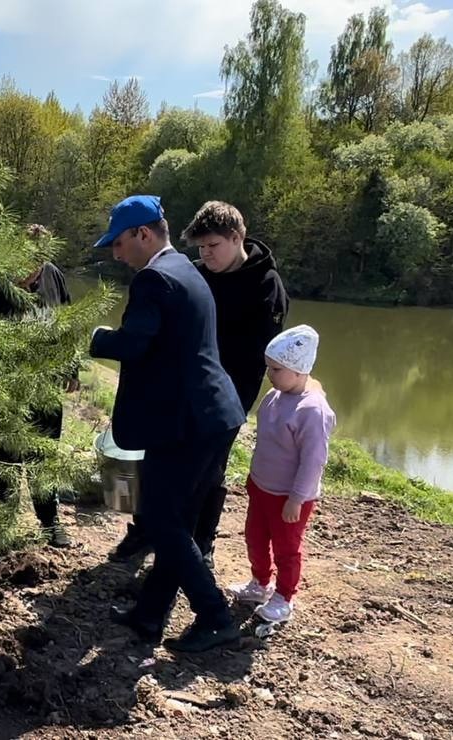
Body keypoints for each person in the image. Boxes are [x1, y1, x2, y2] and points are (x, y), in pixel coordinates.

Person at [89, 195, 246, 652]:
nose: (116, 254)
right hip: (212, 415)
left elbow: (135, 345)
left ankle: (214, 615)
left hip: (185, 422)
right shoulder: (187, 270)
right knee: (175, 520)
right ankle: (150, 615)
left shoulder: (154, 279)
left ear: (143, 234)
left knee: (159, 520)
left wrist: (94, 337)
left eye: (119, 244)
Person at [186, 202, 289, 568]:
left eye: (213, 245)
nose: (205, 254)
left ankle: (204, 540)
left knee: (211, 467)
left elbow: (257, 354)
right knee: (172, 459)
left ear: (236, 238)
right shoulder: (195, 274)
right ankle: (161, 531)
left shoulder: (266, 286)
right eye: (200, 247)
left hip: (229, 393)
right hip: (185, 387)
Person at [0, 225, 78, 548]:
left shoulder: (54, 276)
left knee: (43, 458)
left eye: (36, 268)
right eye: (24, 266)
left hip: (44, 387)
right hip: (3, 391)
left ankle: (50, 523)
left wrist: (72, 367)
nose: (29, 277)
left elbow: (67, 322)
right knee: (3, 460)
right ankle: (1, 528)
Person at [228, 325, 336, 624]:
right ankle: (260, 583)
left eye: (276, 369)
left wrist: (296, 498)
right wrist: (253, 478)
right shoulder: (275, 396)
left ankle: (284, 597)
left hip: (288, 497)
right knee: (255, 537)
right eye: (269, 368)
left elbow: (313, 461)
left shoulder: (312, 411)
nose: (269, 375)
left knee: (286, 548)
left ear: (299, 369)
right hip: (262, 487)